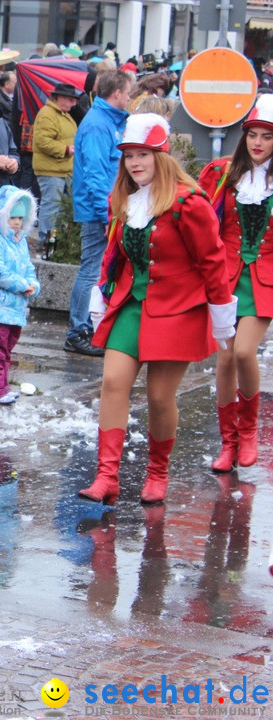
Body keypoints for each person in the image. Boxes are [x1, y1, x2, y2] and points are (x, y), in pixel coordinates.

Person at [78, 114, 234, 506]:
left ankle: (157, 472)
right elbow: (116, 253)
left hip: (179, 309)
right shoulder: (125, 200)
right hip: (132, 304)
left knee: (160, 397)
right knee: (113, 382)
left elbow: (213, 262)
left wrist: (220, 317)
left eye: (143, 155)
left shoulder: (188, 202)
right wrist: (103, 292)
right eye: (129, 156)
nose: (134, 163)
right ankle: (106, 475)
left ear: (160, 157)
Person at [198, 94, 273, 472]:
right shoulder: (221, 174)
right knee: (224, 359)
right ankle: (228, 443)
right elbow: (201, 221)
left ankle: (249, 432)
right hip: (225, 275)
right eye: (253, 135)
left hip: (266, 279)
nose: (258, 143)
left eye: (267, 136)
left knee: (244, 351)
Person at [66, 70, 132, 357]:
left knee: (98, 269)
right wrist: (106, 215)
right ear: (116, 93)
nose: (130, 98)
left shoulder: (108, 121)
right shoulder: (97, 124)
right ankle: (78, 331)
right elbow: (95, 174)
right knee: (91, 269)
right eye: (128, 93)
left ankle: (89, 326)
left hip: (108, 208)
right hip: (100, 211)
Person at [0, 186, 40, 404]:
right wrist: (22, 285)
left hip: (16, 308)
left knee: (6, 348)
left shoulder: (19, 241)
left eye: (20, 218)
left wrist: (33, 284)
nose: (16, 222)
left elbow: (28, 267)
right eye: (12, 217)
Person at [32, 82, 79, 252]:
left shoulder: (62, 114)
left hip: (61, 169)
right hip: (51, 170)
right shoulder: (48, 114)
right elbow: (42, 141)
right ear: (58, 97)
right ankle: (45, 243)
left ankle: (54, 243)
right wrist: (65, 149)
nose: (73, 103)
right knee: (51, 207)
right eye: (69, 99)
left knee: (57, 208)